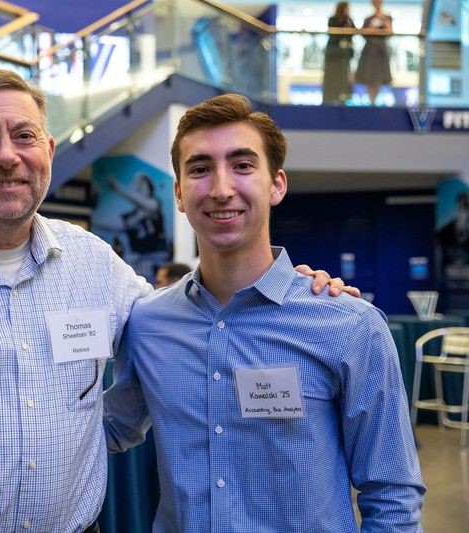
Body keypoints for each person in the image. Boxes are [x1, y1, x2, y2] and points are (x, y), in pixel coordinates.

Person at [0, 70, 355, 532]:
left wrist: (294, 288)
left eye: (25, 136)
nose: (7, 156)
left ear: (49, 150)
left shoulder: (95, 265)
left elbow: (187, 325)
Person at [103, 94, 425, 532]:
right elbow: (107, 429)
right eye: (199, 169)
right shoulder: (147, 323)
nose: (221, 188)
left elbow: (391, 494)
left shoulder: (349, 325)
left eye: (242, 165)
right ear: (178, 194)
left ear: (276, 184)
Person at [355, 0, 393, 105]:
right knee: (368, 76)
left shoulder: (387, 17)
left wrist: (382, 18)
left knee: (378, 77)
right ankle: (371, 102)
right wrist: (372, 27)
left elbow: (390, 31)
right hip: (369, 50)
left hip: (381, 51)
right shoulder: (368, 19)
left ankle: (374, 102)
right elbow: (364, 33)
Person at [323, 1, 356, 104]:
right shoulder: (333, 19)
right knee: (333, 80)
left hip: (344, 57)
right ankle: (331, 100)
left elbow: (353, 32)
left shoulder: (349, 21)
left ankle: (343, 99)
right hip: (334, 57)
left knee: (344, 79)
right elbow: (334, 32)